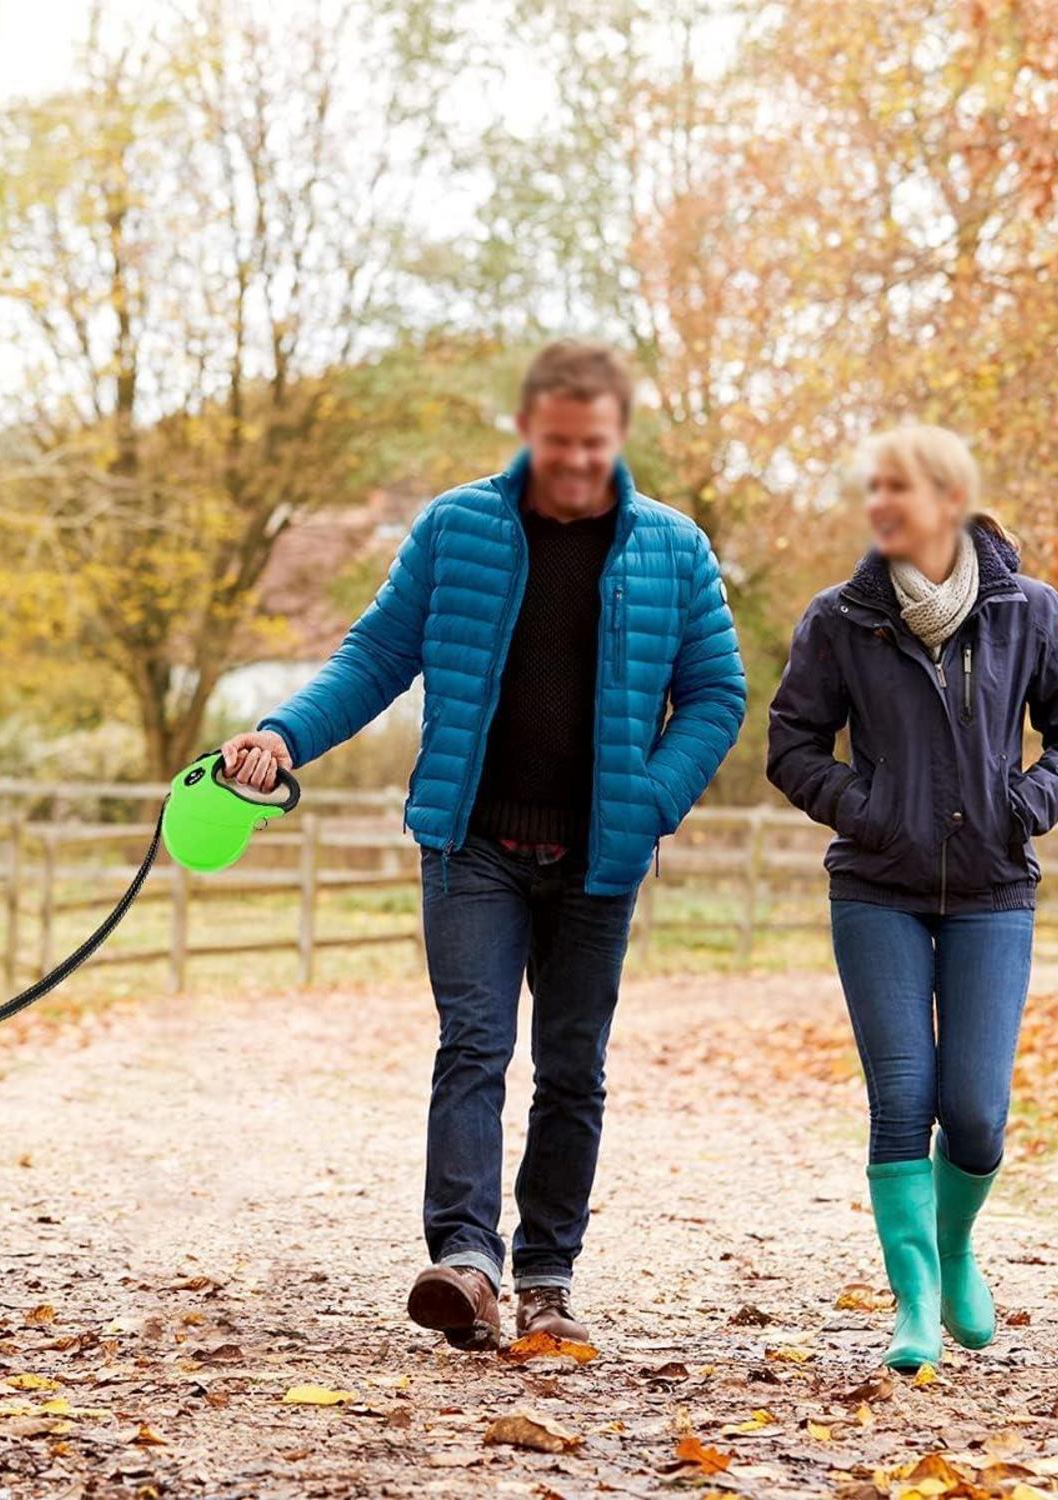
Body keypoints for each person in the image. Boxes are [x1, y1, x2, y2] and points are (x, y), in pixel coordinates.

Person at [222, 341, 745, 1348]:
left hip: (601, 854)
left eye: (594, 444)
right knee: (473, 1044)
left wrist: (650, 800)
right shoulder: (457, 527)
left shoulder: (673, 548)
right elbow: (376, 654)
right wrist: (284, 735)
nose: (577, 462)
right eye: (559, 443)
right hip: (473, 843)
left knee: (572, 1065)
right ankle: (466, 1264)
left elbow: (716, 696)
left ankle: (547, 1274)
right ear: (527, 432)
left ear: (619, 436)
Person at [767, 425, 1058, 1371]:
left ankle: (955, 1247)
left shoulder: (1026, 611)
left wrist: (1022, 805)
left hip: (994, 891)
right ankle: (913, 1297)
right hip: (876, 889)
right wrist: (864, 809)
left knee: (974, 1111)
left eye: (900, 489)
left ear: (949, 501)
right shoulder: (839, 618)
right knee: (902, 1098)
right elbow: (791, 746)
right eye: (873, 489)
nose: (881, 505)